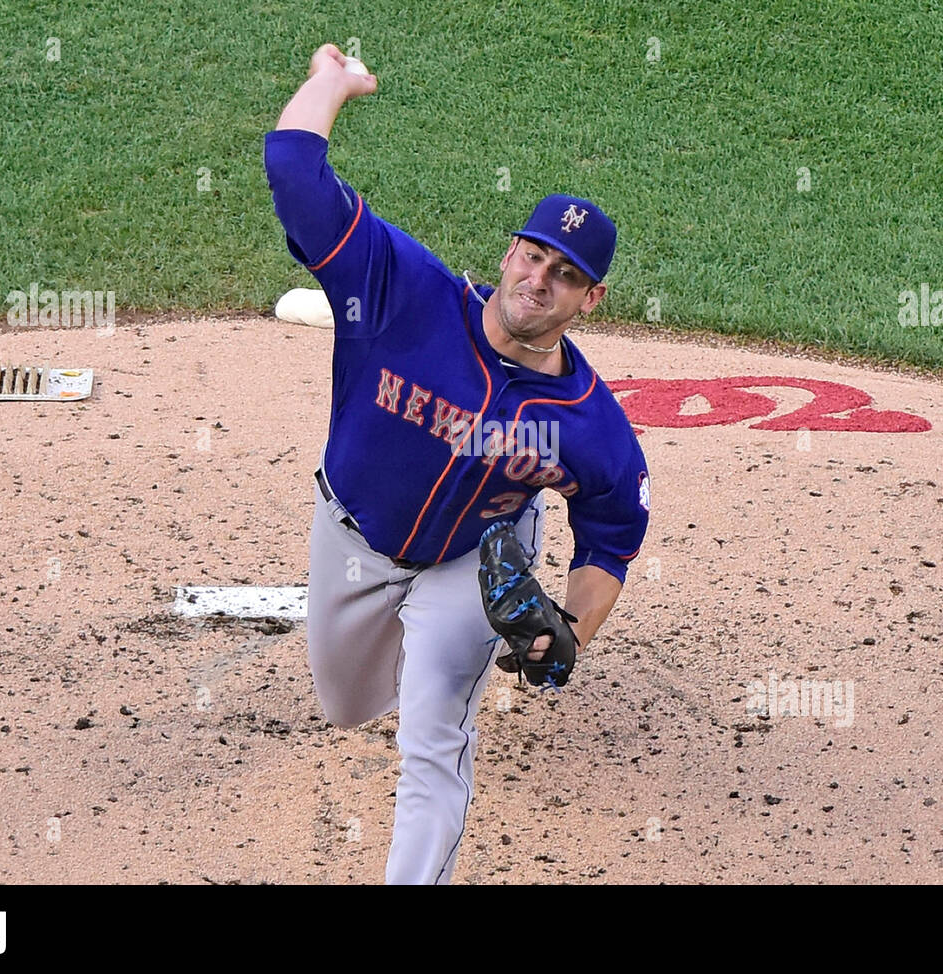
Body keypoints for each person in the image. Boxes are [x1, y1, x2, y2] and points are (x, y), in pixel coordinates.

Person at [264, 43, 650, 884]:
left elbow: (614, 537)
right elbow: (294, 167)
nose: (541, 280)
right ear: (510, 250)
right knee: (348, 705)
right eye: (536, 254)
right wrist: (331, 82)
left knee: (433, 735)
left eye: (568, 274)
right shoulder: (403, 292)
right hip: (352, 534)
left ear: (592, 300)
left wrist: (570, 634)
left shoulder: (587, 424)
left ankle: (517, 525)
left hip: (473, 561)